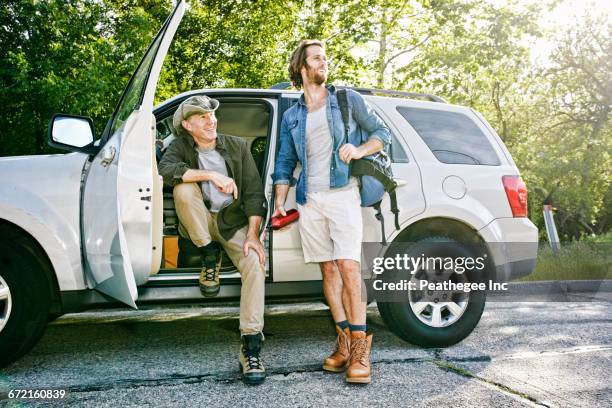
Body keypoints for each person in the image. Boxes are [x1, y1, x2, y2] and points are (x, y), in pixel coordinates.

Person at [271, 40, 391, 384]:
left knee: (349, 268)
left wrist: (359, 148)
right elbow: (284, 160)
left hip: (342, 194)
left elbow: (382, 134)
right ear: (301, 67)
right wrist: (281, 200)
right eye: (316, 58)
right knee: (328, 271)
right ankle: (342, 341)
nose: (324, 63)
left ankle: (359, 349)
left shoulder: (346, 100)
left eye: (325, 58)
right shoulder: (293, 115)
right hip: (310, 199)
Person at [158, 95, 268, 385]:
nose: (211, 121)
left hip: (232, 222)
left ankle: (251, 345)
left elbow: (256, 194)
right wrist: (211, 175)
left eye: (212, 115)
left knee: (255, 263)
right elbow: (166, 171)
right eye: (203, 117)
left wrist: (254, 235)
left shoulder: (237, 146)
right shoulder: (180, 146)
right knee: (182, 190)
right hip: (202, 222)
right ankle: (210, 254)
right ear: (187, 125)